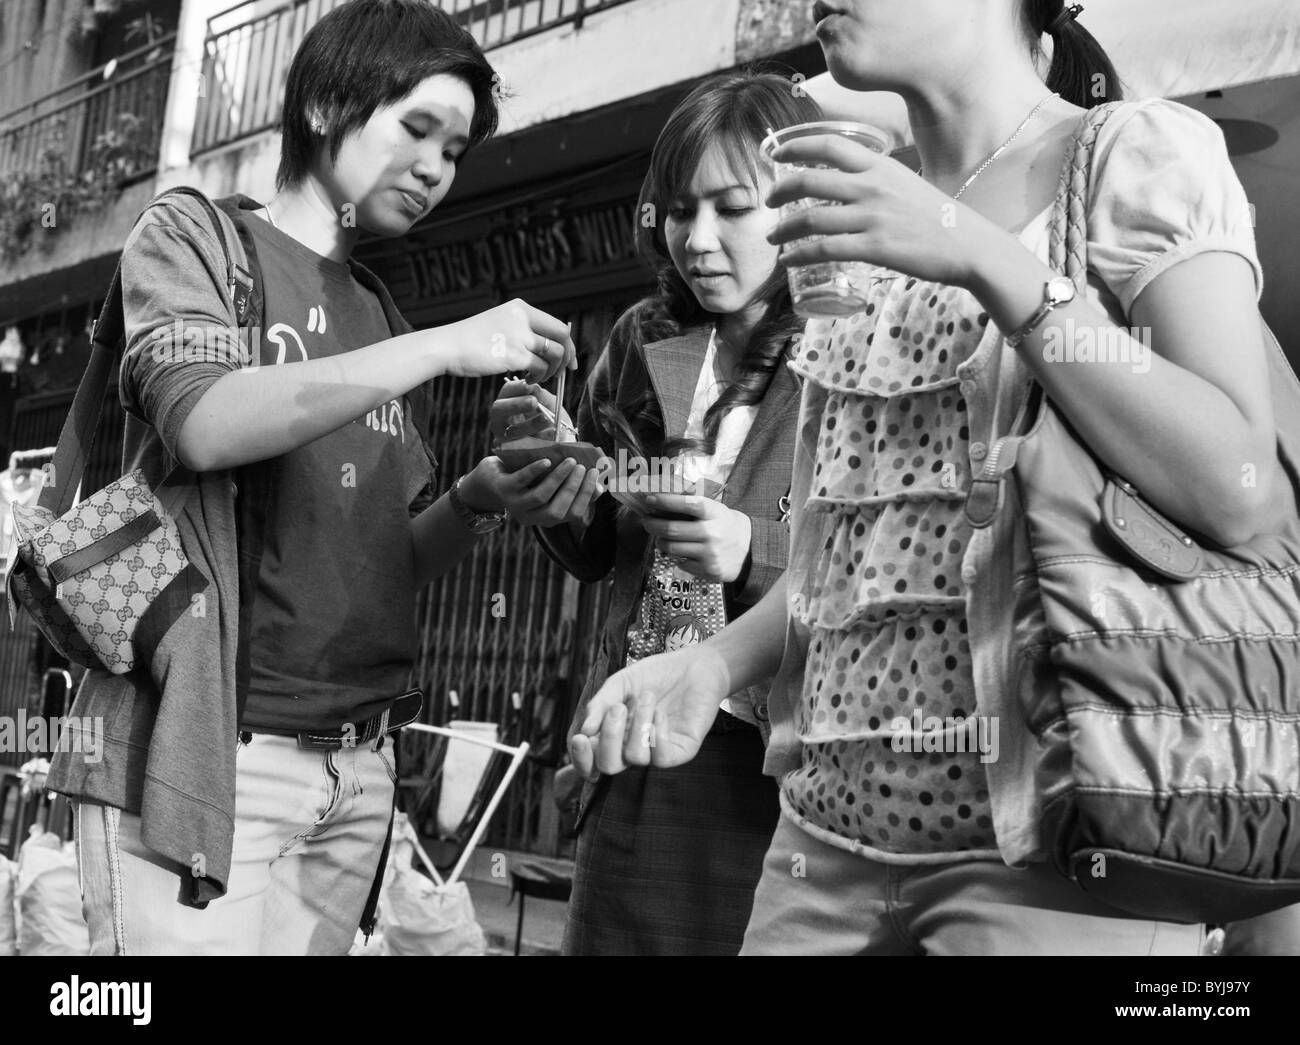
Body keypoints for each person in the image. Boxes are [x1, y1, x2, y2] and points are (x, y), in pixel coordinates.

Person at [571, 0, 1276, 955]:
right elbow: (857, 546)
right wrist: (715, 661)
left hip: (1048, 859)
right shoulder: (855, 210)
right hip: (819, 843)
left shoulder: (1134, 155)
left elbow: (1234, 481)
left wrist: (984, 257)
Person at [47, 0, 574, 956]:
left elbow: (384, 563)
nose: (434, 169)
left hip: (356, 772)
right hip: (204, 756)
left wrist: (479, 496)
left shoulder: (376, 309)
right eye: (417, 128)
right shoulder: (195, 239)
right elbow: (203, 421)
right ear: (328, 104)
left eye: (454, 152)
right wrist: (448, 346)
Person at [488, 71, 820, 954]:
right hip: (640, 729)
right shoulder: (645, 339)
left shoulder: (846, 340)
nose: (698, 240)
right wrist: (557, 479)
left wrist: (752, 547)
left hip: (776, 751)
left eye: (731, 208)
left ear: (794, 204)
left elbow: (886, 555)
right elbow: (603, 544)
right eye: (679, 210)